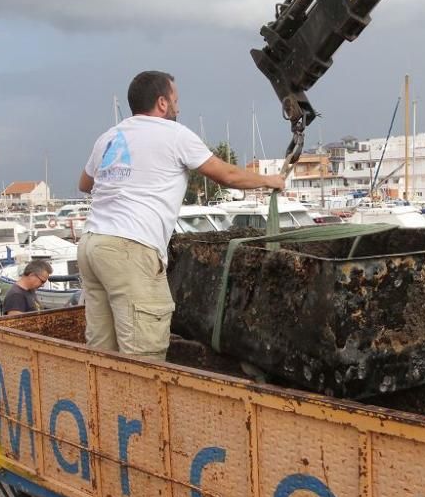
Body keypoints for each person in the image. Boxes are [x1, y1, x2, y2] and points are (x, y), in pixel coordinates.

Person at [77, 70, 285, 357]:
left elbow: (85, 184)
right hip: (131, 248)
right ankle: (139, 404)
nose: (178, 107)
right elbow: (225, 175)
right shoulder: (174, 134)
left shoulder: (111, 136)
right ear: (162, 103)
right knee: (143, 356)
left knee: (102, 352)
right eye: (175, 100)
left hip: (92, 245)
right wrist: (270, 181)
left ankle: (104, 402)